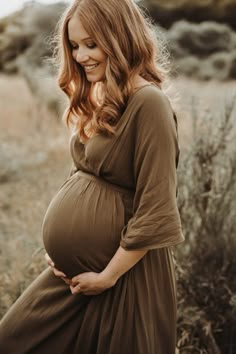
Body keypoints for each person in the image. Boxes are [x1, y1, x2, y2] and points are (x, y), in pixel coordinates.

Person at [0, 0, 184, 353]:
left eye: (91, 44)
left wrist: (107, 276)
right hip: (72, 278)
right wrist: (63, 251)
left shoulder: (150, 104)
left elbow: (156, 207)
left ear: (119, 38)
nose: (80, 56)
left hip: (124, 277)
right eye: (73, 45)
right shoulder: (109, 98)